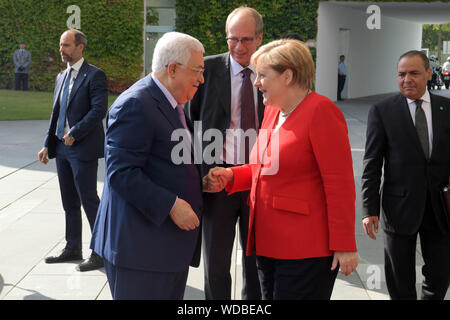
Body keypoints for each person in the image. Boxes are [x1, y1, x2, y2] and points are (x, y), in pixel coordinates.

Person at [204, 39, 358, 300]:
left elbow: (339, 183)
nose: (256, 82)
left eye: (263, 75)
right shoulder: (273, 112)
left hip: (305, 250)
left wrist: (344, 245)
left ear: (287, 76)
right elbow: (264, 167)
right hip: (268, 244)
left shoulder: (321, 111)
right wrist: (232, 176)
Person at [90, 32, 206, 300]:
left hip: (165, 250)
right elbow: (121, 173)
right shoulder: (135, 104)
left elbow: (164, 160)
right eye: (197, 70)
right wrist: (171, 204)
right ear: (173, 69)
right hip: (141, 252)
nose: (201, 79)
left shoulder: (172, 102)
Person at [187, 6, 264, 300]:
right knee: (216, 263)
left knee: (255, 261)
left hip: (259, 179)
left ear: (259, 38)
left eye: (246, 39)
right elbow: (190, 123)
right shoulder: (205, 70)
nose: (238, 47)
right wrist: (199, 173)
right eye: (232, 39)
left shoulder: (272, 70)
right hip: (218, 179)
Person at [361, 50, 450, 300]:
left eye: (414, 73)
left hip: (440, 209)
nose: (406, 79)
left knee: (441, 273)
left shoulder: (446, 109)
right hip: (398, 208)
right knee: (400, 278)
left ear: (429, 73)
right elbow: (371, 163)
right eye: (401, 74)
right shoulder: (383, 111)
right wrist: (369, 209)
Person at [37, 29, 107, 272]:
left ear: (80, 48)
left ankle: (100, 252)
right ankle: (73, 247)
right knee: (69, 201)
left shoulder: (95, 75)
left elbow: (99, 111)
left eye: (66, 45)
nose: (61, 50)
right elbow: (56, 113)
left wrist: (75, 132)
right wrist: (48, 143)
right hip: (61, 148)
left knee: (89, 199)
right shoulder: (61, 77)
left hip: (82, 148)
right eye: (60, 45)